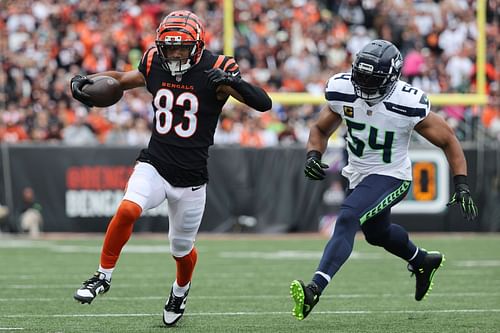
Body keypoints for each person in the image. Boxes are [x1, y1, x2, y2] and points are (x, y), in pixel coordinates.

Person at [70, 10, 271, 326]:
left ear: (198, 45)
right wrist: (88, 81)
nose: (175, 53)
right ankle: (102, 276)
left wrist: (235, 84)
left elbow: (263, 104)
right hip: (156, 164)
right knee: (127, 210)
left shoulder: (216, 70)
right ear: (160, 45)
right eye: (169, 46)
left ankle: (180, 290)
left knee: (181, 249)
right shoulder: (153, 62)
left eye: (182, 46)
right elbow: (122, 80)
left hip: (191, 178)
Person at [290, 39, 478, 321]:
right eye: (361, 78)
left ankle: (314, 288)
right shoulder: (342, 90)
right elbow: (319, 128)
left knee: (348, 216)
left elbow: (449, 140)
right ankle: (422, 260)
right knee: (377, 234)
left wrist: (461, 183)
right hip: (359, 173)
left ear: (392, 78)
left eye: (372, 80)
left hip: (392, 175)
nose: (364, 86)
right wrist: (313, 155)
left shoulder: (407, 102)